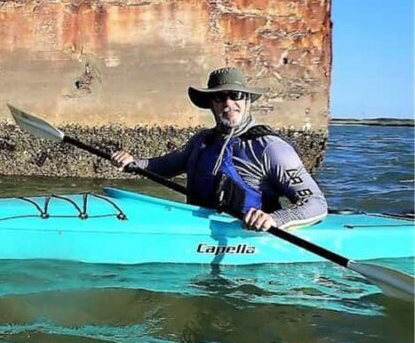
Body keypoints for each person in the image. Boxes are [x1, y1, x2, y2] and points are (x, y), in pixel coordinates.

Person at [111, 67, 327, 231]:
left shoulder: (271, 149)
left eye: (236, 95)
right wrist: (132, 162)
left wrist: (275, 219)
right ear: (210, 103)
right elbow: (164, 166)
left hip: (245, 237)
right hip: (197, 231)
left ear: (248, 99)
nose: (228, 103)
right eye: (220, 96)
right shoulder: (202, 141)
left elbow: (316, 203)